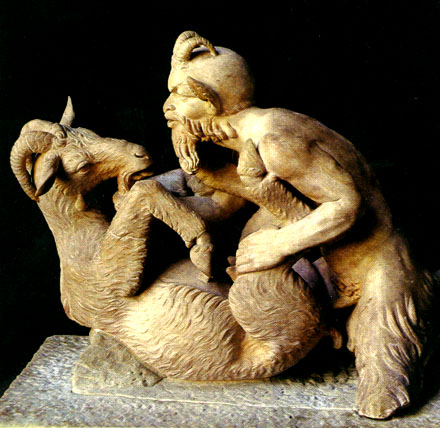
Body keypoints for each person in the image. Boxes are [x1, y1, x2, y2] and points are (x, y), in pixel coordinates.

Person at [162, 31, 439, 419]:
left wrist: (278, 245)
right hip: (329, 261)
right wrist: (203, 169)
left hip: (374, 267)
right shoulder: (256, 131)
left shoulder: (275, 140)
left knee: (383, 391)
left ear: (209, 101)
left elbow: (347, 205)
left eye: (178, 96)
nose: (168, 106)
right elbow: (252, 191)